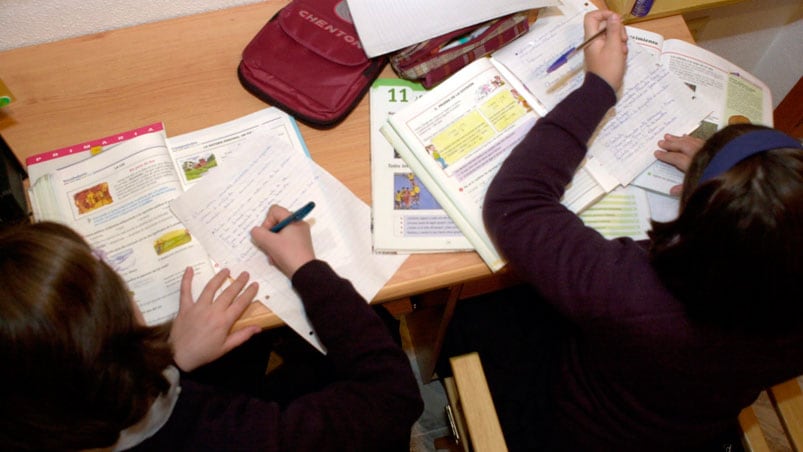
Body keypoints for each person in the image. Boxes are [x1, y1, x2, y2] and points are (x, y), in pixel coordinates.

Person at [441, 9, 803, 451]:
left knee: (474, 309)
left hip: (574, 426)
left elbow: (514, 205)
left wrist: (599, 88)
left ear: (696, 233)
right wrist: (726, 186)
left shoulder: (632, 291)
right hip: (688, 427)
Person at [0, 206, 423, 451]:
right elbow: (394, 396)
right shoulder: (236, 437)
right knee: (374, 321)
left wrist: (175, 359)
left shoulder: (43, 418)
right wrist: (308, 269)